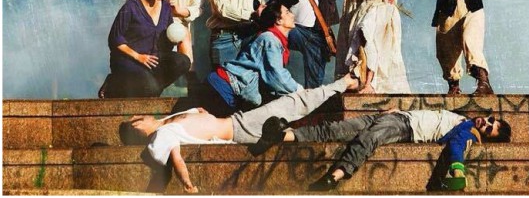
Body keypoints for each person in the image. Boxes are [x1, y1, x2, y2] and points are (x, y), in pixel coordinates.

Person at [119, 72, 361, 194]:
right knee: (293, 103)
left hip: (237, 122)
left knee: (296, 118)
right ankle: (344, 83)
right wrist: (188, 185)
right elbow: (177, 159)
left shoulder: (167, 122)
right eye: (136, 118)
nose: (142, 115)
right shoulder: (163, 134)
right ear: (137, 127)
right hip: (240, 128)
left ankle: (275, 136)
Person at [254, 109, 511, 192]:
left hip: (403, 126)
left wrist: (457, 172)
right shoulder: (465, 120)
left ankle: (336, 175)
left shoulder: (469, 133)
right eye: (491, 120)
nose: (486, 123)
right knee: (335, 129)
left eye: (490, 129)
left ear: (486, 139)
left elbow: (457, 148)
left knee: (368, 139)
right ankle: (283, 136)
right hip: (394, 116)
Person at [203, 0, 304, 114]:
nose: (292, 15)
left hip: (227, 89)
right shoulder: (270, 39)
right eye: (287, 12)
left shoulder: (274, 40)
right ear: (278, 20)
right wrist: (299, 90)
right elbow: (276, 76)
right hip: (223, 88)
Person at [102, 0, 191, 98]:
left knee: (183, 61)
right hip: (129, 59)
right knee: (151, 89)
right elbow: (115, 39)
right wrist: (139, 57)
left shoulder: (166, 8)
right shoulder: (131, 7)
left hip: (152, 59)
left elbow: (166, 41)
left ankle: (151, 86)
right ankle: (113, 83)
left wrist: (175, 35)